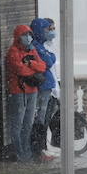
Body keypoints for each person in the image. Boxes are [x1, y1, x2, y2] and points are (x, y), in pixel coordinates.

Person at [4, 24, 47, 162]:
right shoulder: (13, 52)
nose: (28, 37)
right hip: (18, 92)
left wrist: (30, 64)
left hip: (32, 91)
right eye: (25, 35)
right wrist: (31, 67)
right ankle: (19, 153)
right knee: (17, 124)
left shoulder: (32, 50)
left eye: (29, 35)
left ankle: (26, 154)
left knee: (28, 124)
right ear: (18, 37)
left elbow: (42, 66)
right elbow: (20, 70)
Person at [29, 17, 59, 163]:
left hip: (48, 86)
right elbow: (47, 61)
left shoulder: (41, 45)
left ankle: (42, 147)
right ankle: (40, 149)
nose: (51, 32)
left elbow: (49, 61)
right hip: (43, 87)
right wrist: (50, 57)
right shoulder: (36, 46)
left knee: (45, 118)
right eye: (49, 29)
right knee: (41, 119)